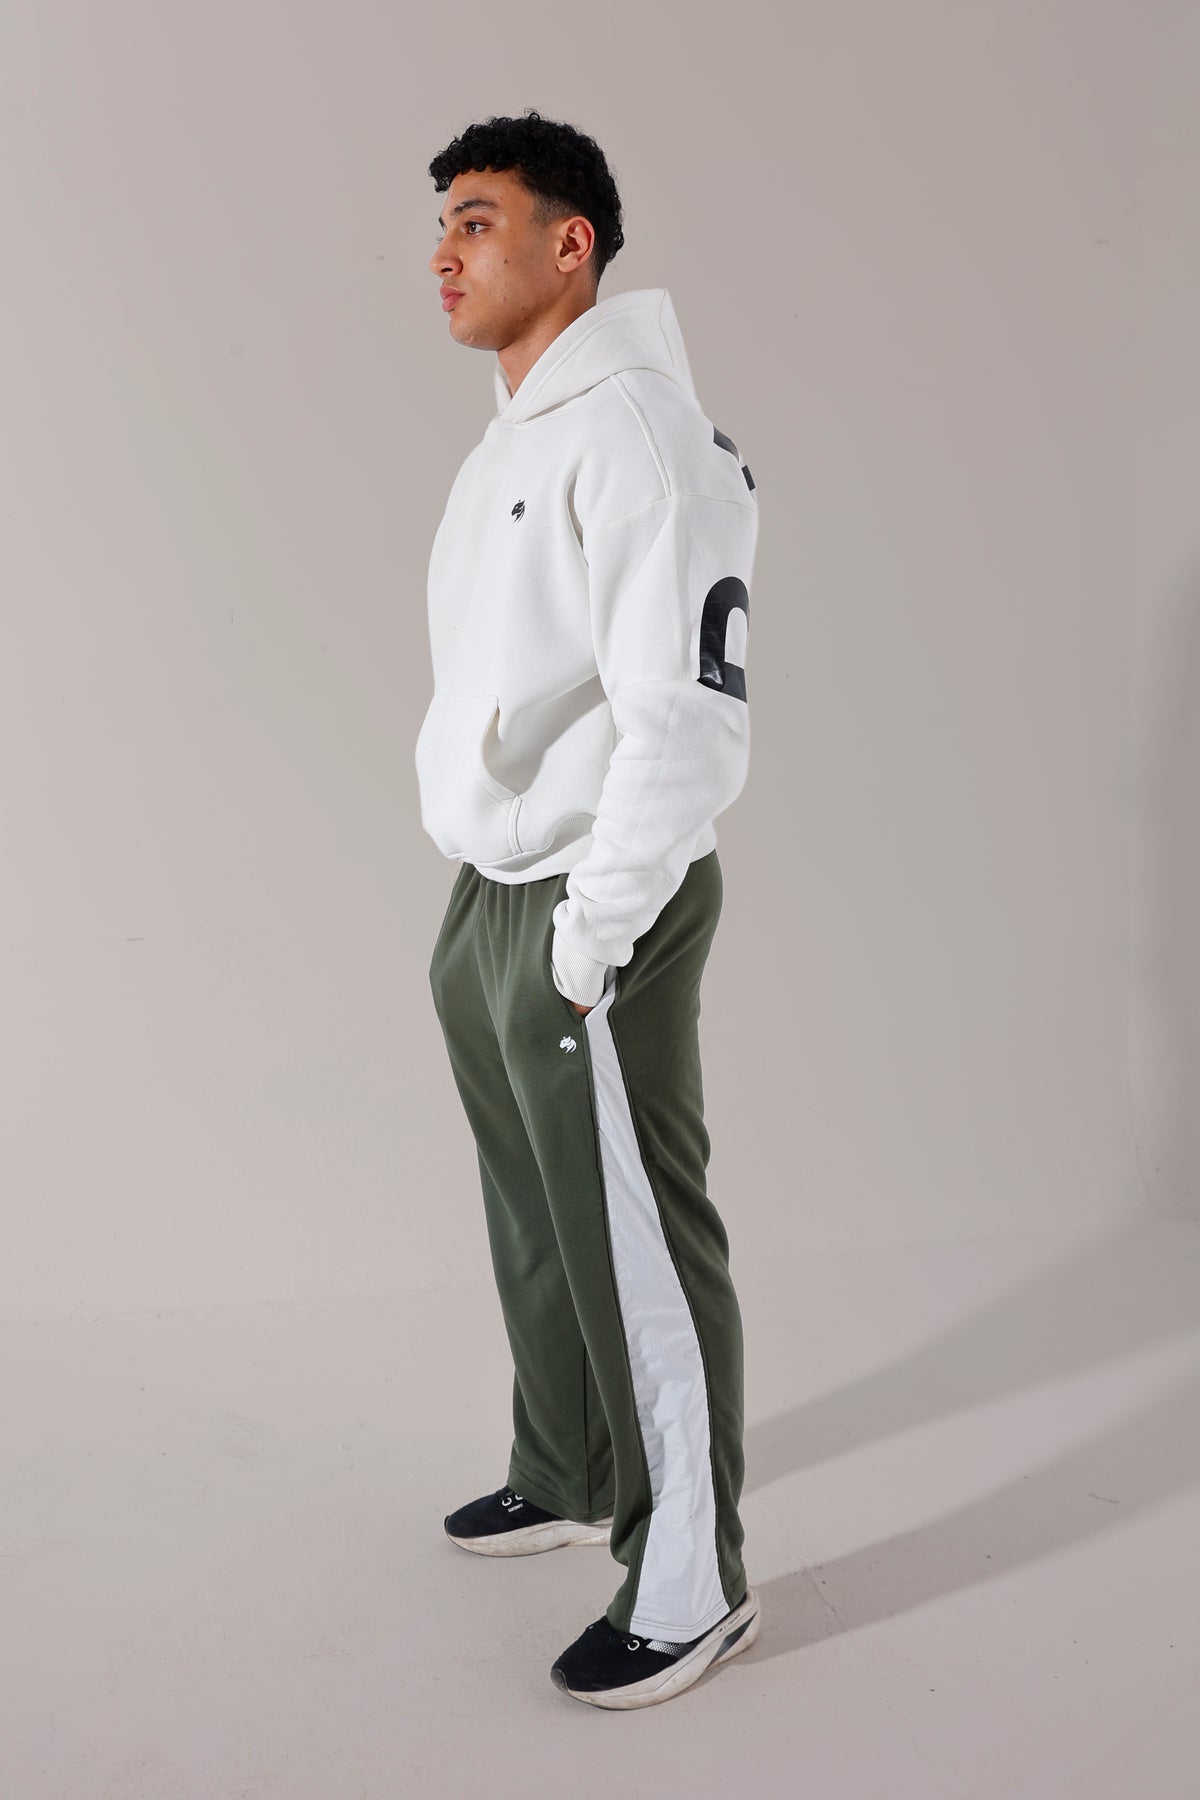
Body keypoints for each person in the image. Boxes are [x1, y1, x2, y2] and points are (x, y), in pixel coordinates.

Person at [417, 108, 760, 1710]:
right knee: (536, 1217)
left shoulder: (639, 434)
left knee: (637, 1240)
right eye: (441, 223)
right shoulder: (513, 434)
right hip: (494, 889)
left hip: (595, 899)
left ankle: (691, 1581)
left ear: (574, 245)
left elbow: (685, 717)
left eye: (477, 220)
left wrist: (592, 929)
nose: (444, 251)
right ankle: (566, 1466)